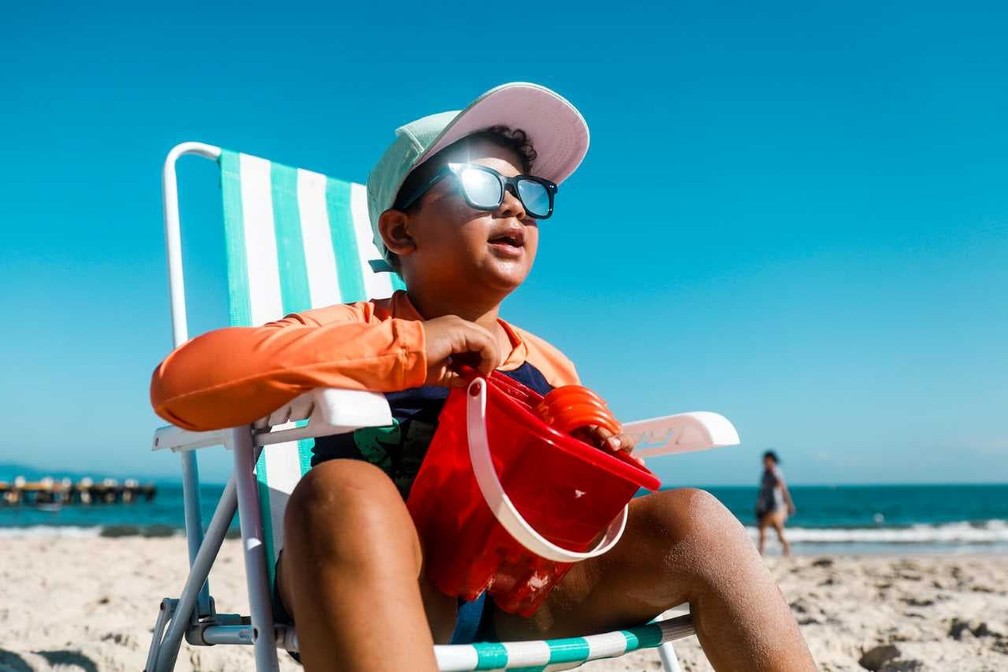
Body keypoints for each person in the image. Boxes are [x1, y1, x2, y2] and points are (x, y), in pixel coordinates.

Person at [150, 82, 815, 672]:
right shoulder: (351, 329)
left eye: (531, 193)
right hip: (380, 584)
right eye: (479, 184)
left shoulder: (550, 364)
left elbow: (578, 497)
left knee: (694, 522)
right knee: (343, 488)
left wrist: (595, 460)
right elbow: (181, 387)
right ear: (401, 232)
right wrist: (407, 345)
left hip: (518, 594)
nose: (517, 208)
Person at [756, 450, 797, 556]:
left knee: (762, 527)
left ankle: (761, 552)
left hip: (777, 506)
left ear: (772, 461)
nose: (764, 462)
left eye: (766, 460)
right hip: (767, 506)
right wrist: (759, 503)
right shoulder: (764, 473)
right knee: (777, 530)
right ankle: (786, 548)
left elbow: (783, 489)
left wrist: (790, 504)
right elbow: (763, 491)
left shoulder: (775, 472)